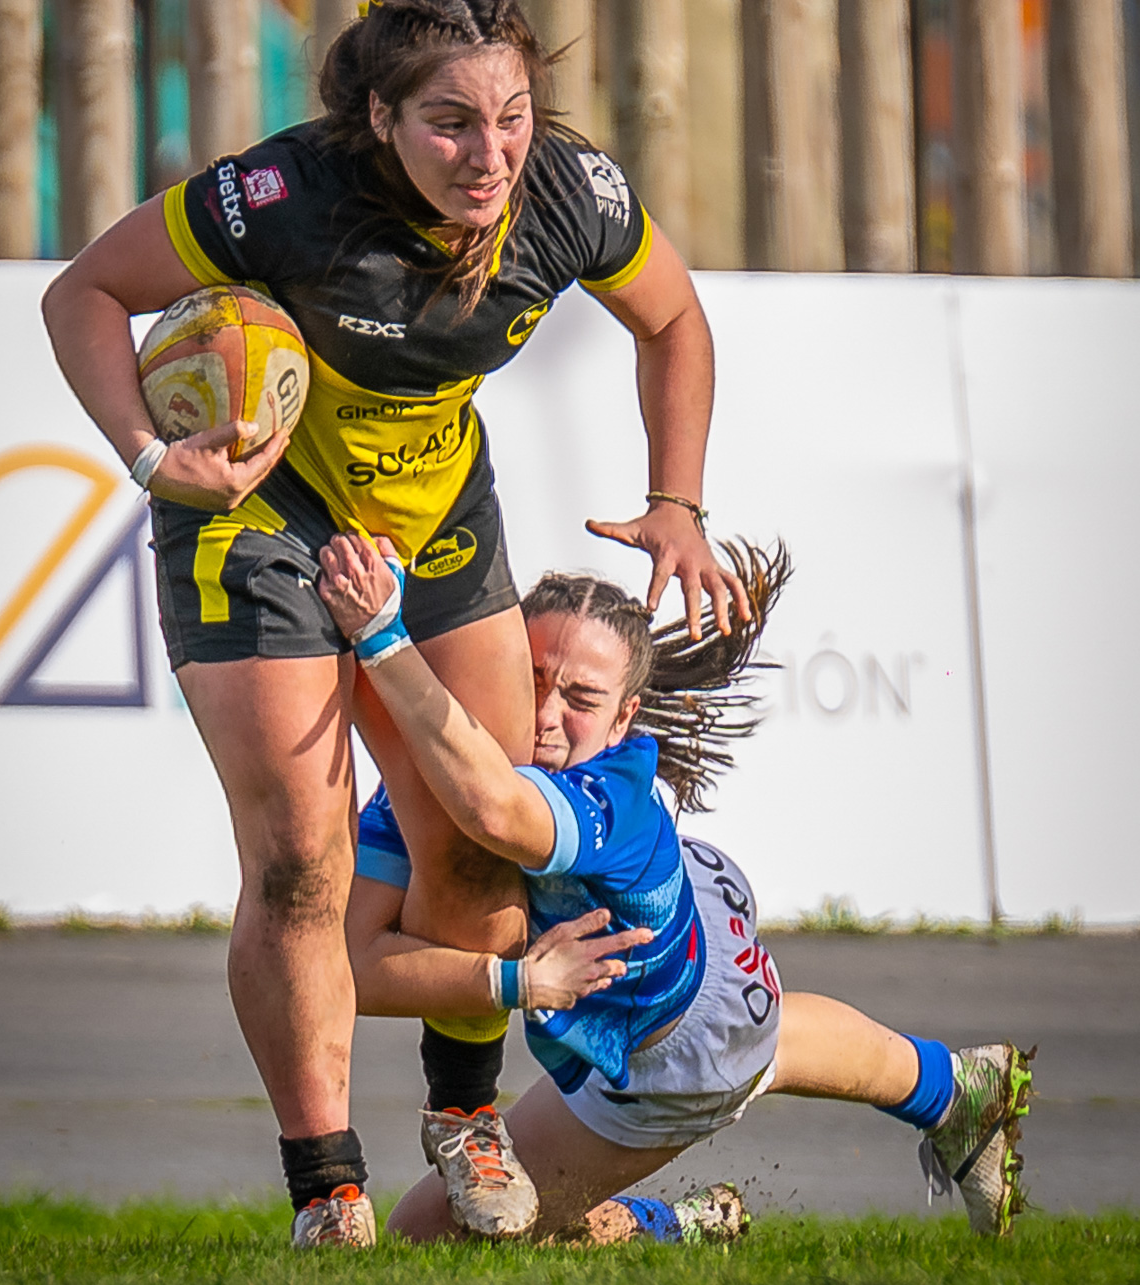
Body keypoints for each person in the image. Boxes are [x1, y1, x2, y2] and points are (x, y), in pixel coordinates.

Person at [41, 0, 750, 1248]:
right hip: (254, 519)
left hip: (431, 521)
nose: (490, 156)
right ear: (378, 119)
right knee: (303, 863)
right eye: (449, 124)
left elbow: (673, 321)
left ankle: (465, 1116)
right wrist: (153, 456)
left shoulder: (571, 199)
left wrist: (677, 502)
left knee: (481, 835)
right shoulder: (280, 199)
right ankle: (330, 1189)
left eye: (511, 118)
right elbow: (82, 291)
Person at [318, 531, 1035, 1248]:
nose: (543, 713)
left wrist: (383, 635)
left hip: (668, 1059)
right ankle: (953, 1086)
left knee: (429, 1234)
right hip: (692, 937)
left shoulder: (604, 793)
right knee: (765, 1037)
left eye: (581, 698)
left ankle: (669, 1224)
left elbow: (494, 809)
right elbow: (349, 970)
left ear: (624, 716)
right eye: (531, 678)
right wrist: (512, 979)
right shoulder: (440, 780)